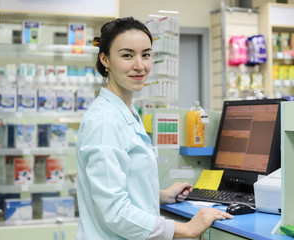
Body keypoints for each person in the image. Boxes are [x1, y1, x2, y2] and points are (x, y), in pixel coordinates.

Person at [76, 17, 233, 240]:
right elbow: (115, 212)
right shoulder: (104, 121)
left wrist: (159, 196)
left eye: (146, 54)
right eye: (127, 55)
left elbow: (119, 186)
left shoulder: (128, 113)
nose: (140, 65)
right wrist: (186, 229)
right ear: (105, 59)